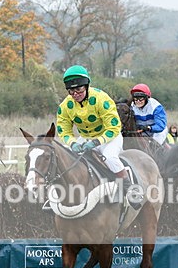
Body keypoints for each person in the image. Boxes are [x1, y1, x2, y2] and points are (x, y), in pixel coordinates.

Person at [56, 65, 142, 208]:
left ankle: (130, 190)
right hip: (85, 138)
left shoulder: (101, 99)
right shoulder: (65, 106)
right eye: (71, 91)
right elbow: (64, 131)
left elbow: (114, 127)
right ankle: (57, 196)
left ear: (86, 86)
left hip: (109, 137)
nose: (75, 94)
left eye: (79, 89)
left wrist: (96, 142)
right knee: (65, 157)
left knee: (109, 157)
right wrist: (72, 143)